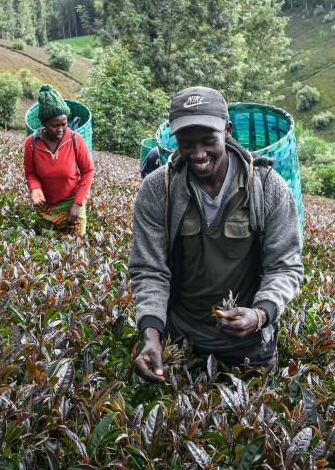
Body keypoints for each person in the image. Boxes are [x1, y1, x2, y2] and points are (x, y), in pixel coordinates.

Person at [129, 86, 303, 381]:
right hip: (180, 331)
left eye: (208, 141)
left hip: (247, 338)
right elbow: (149, 269)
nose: (198, 154)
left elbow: (284, 266)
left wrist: (260, 314)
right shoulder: (158, 189)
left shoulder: (267, 186)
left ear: (227, 131)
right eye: (186, 143)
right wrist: (151, 334)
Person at [23, 84, 94, 236]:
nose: (60, 129)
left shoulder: (75, 140)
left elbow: (88, 171)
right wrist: (35, 188)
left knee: (75, 242)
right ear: (44, 124)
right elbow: (30, 172)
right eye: (55, 126)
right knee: (45, 241)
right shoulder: (31, 143)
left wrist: (77, 203)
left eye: (64, 124)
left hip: (72, 200)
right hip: (47, 205)